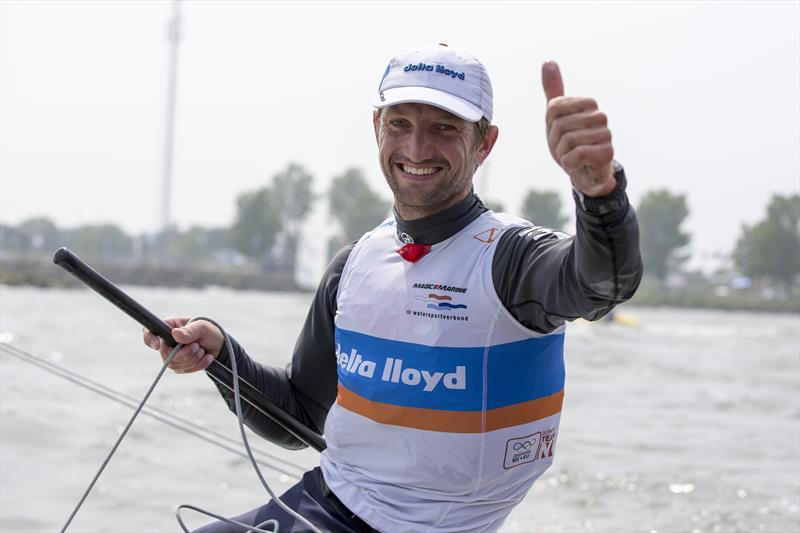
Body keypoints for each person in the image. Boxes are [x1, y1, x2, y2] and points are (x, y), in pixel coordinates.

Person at [144, 43, 642, 533]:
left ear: (485, 143)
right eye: (400, 124)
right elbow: (299, 416)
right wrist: (221, 356)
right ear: (376, 128)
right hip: (324, 505)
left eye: (444, 128)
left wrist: (599, 192)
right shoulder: (355, 263)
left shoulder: (512, 259)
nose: (417, 149)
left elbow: (605, 283)